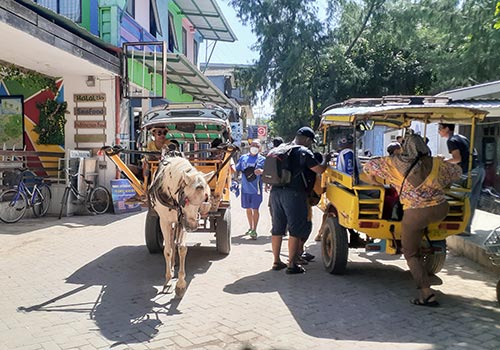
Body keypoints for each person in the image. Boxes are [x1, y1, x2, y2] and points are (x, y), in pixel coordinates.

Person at [363, 134, 461, 307]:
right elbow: (457, 173)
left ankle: (426, 293)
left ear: (405, 147)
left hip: (415, 213)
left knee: (410, 254)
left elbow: (368, 166)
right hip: (441, 209)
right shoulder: (437, 163)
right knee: (421, 228)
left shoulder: (393, 163)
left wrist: (374, 181)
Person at [270, 127, 329, 274]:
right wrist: (326, 160)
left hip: (275, 192)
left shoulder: (282, 148)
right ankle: (292, 265)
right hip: (294, 194)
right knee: (295, 230)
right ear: (308, 140)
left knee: (277, 228)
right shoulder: (304, 151)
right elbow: (319, 170)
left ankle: (277, 261)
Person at [438, 123, 485, 235]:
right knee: (471, 200)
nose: (439, 131)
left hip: (471, 172)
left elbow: (457, 159)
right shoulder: (461, 137)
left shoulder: (451, 140)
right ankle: (466, 228)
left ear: (447, 129)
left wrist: (443, 162)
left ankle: (461, 226)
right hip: (479, 169)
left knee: (458, 195)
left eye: (440, 129)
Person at [235, 139, 266, 240]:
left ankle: (254, 230)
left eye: (257, 146)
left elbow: (268, 172)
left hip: (256, 190)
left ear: (260, 148)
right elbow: (237, 169)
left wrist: (262, 171)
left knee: (255, 209)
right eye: (253, 145)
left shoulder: (262, 159)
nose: (254, 147)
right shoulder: (243, 158)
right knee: (248, 209)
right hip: (245, 189)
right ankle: (250, 227)